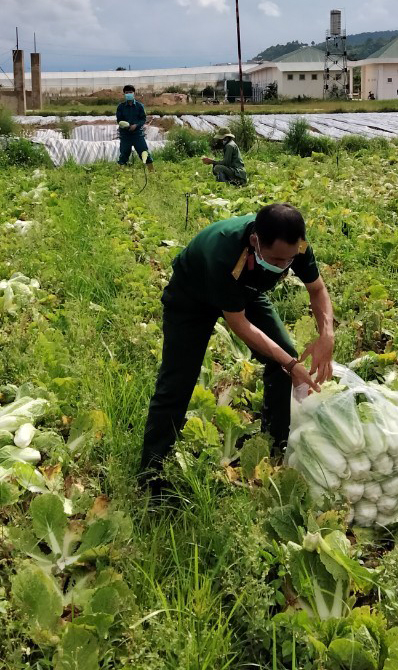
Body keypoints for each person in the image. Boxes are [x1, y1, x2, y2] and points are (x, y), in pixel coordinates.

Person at [138, 203, 335, 489]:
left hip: (246, 293)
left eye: (289, 260)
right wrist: (291, 365)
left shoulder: (297, 246)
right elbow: (239, 324)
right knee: (176, 383)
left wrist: (326, 336)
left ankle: (274, 444)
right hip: (191, 298)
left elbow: (317, 289)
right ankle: (151, 475)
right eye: (277, 260)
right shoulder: (224, 253)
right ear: (255, 240)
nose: (284, 267)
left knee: (284, 358)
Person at [116, 85, 153, 169]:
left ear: (134, 94)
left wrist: (136, 125)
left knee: (144, 152)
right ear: (124, 94)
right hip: (125, 135)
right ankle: (120, 173)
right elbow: (119, 120)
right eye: (126, 93)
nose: (128, 94)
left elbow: (143, 119)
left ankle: (152, 172)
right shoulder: (121, 107)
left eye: (130, 92)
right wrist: (127, 126)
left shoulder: (139, 106)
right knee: (124, 154)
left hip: (137, 134)